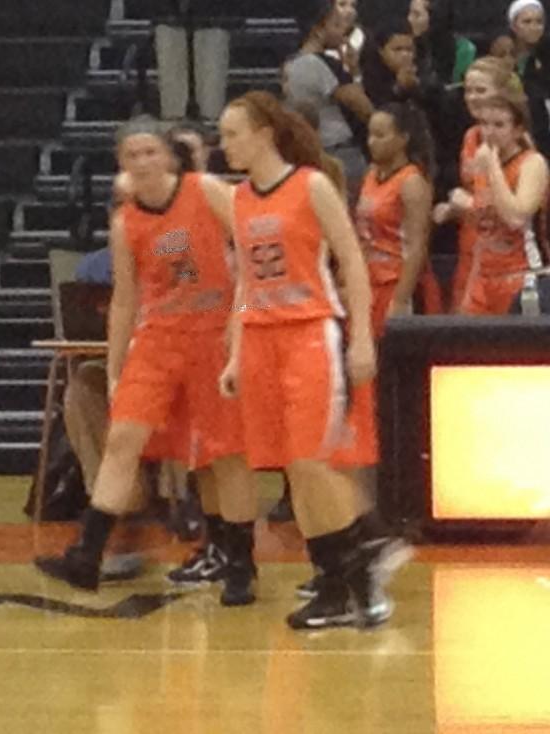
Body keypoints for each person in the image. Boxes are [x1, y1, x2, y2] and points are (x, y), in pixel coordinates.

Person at [36, 116, 259, 607]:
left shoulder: (207, 191)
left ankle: (241, 564)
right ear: (121, 166)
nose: (141, 163)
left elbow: (250, 260)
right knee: (123, 438)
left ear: (169, 156)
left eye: (149, 153)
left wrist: (239, 325)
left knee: (224, 454)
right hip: (157, 340)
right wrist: (116, 367)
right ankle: (86, 554)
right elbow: (124, 301)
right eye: (131, 156)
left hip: (212, 336)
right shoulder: (127, 222)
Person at [219, 90, 408, 630]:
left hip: (309, 332)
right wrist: (234, 353)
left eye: (232, 133)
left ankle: (368, 540)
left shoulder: (311, 184)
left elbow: (352, 260)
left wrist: (362, 339)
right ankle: (339, 581)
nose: (224, 144)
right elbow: (245, 283)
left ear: (264, 133)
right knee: (290, 469)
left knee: (310, 460)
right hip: (259, 337)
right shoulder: (237, 199)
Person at [435, 56, 521, 311]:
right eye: (468, 90)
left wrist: (468, 205)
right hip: (472, 245)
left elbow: (518, 213)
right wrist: (452, 208)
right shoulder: (471, 136)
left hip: (507, 256)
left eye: (481, 90)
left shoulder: (518, 143)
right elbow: (473, 189)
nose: (472, 97)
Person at [451, 91, 550, 315]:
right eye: (484, 124)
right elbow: (484, 223)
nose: (489, 132)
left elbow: (516, 217)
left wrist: (493, 168)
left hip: (523, 276)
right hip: (483, 274)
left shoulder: (531, 163)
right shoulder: (481, 164)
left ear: (517, 129)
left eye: (499, 125)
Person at [356, 104, 435, 336]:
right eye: (370, 134)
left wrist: (400, 300)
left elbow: (416, 247)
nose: (372, 142)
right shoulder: (370, 174)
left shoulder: (411, 182)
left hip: (397, 282)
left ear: (403, 139)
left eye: (380, 135)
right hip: (370, 282)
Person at [285, 0, 373, 203]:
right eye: (335, 25)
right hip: (340, 152)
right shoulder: (326, 64)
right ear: (318, 30)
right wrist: (355, 73)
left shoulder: (289, 65)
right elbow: (364, 109)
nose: (343, 32)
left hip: (309, 150)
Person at [509, 0, 550, 155]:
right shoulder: (504, 57)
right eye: (527, 21)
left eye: (539, 22)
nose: (534, 27)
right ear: (514, 25)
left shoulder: (545, 59)